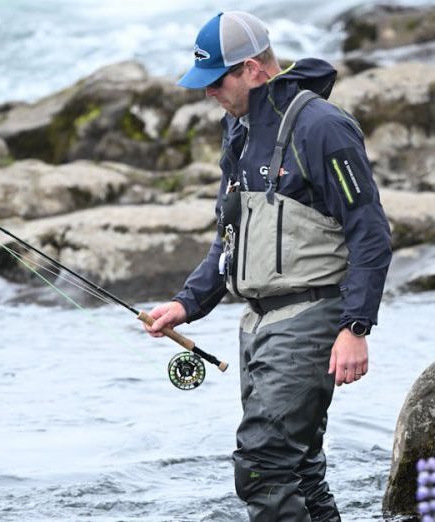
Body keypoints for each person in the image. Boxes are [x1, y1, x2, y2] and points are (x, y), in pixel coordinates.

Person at [145, 10, 392, 522]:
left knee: (262, 465)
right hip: (256, 323)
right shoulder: (237, 131)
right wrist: (185, 305)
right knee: (298, 469)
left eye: (217, 80)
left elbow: (370, 232)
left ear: (254, 69)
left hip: (310, 317)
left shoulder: (323, 126)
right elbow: (229, 238)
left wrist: (355, 326)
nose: (208, 92)